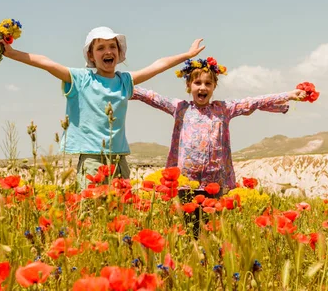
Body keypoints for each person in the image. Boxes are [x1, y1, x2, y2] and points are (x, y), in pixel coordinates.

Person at [0, 27, 205, 188]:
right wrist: (11, 52)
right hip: (92, 160)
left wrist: (186, 56)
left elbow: (158, 65)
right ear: (91, 56)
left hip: (120, 159)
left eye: (112, 46)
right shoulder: (81, 78)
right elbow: (46, 63)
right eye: (100, 48)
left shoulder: (125, 80)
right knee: (93, 213)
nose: (108, 51)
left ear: (119, 53)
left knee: (121, 215)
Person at [131, 56, 307, 235]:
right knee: (190, 229)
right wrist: (123, 87)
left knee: (210, 230)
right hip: (186, 183)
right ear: (189, 86)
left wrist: (289, 95)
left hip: (214, 182)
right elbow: (152, 97)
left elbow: (254, 102)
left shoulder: (223, 109)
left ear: (214, 87)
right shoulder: (180, 108)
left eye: (208, 83)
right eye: (197, 82)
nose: (202, 87)